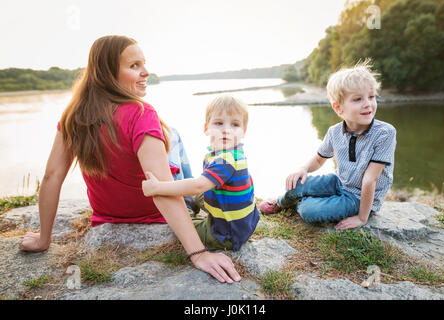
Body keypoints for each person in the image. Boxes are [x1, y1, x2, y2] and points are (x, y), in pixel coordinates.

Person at [18, 35, 241, 284]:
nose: (145, 72)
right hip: (154, 212)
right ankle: (192, 195)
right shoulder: (142, 113)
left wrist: (43, 239)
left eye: (143, 64)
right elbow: (161, 190)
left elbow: (51, 177)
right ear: (107, 73)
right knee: (173, 136)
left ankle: (191, 189)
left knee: (169, 134)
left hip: (107, 213)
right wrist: (198, 253)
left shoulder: (74, 115)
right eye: (134, 66)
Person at [259, 61, 396, 231]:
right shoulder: (334, 132)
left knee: (308, 211)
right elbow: (318, 159)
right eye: (358, 99)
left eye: (371, 96)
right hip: (339, 182)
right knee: (296, 184)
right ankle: (282, 202)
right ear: (339, 108)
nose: (368, 103)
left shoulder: (385, 133)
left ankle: (301, 202)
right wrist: (303, 169)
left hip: (360, 198)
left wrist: (362, 217)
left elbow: (370, 179)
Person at [142, 95, 260, 252]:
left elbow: (198, 185)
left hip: (227, 233)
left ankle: (189, 211)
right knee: (198, 194)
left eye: (235, 125)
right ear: (206, 128)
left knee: (180, 224)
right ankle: (192, 203)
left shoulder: (226, 160)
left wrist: (158, 188)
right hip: (242, 221)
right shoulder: (225, 153)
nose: (226, 130)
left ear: (243, 131)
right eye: (219, 123)